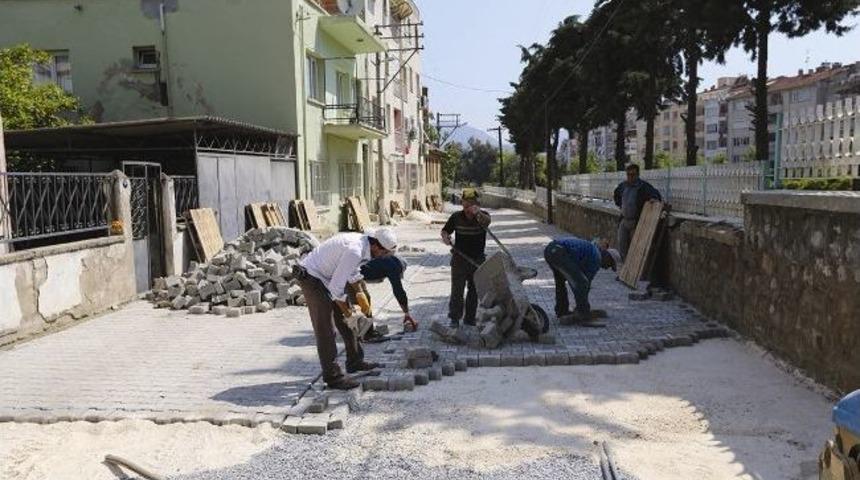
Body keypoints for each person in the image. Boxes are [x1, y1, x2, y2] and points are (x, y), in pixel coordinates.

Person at [295, 228, 397, 390]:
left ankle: (355, 362)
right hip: (312, 278)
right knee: (326, 329)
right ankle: (333, 378)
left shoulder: (364, 245)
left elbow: (351, 271)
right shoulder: (355, 250)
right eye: (384, 253)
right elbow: (336, 288)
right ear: (377, 246)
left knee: (347, 321)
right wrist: (348, 312)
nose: (383, 257)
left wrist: (359, 292)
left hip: (326, 277)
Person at [441, 188, 491, 328]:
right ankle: (454, 318)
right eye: (466, 204)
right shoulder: (456, 217)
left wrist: (478, 213)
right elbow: (445, 230)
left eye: (472, 203)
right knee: (457, 290)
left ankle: (470, 318)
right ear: (462, 203)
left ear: (477, 204)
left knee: (474, 290)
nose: (468, 207)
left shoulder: (483, 216)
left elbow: (487, 222)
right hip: (459, 260)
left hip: (477, 260)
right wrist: (445, 237)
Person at [543, 236, 621, 325]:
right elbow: (584, 283)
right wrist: (583, 305)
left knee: (560, 282)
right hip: (559, 252)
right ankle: (583, 315)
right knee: (581, 283)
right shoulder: (596, 258)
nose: (607, 268)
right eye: (610, 264)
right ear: (607, 257)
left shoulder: (592, 250)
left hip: (550, 250)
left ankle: (562, 311)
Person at [613, 163, 662, 259]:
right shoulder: (623, 186)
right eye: (628, 175)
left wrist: (653, 199)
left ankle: (633, 272)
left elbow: (656, 195)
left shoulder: (643, 187)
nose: (630, 177)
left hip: (636, 222)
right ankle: (624, 270)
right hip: (624, 220)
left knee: (635, 249)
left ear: (637, 175)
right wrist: (621, 205)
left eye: (633, 175)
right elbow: (616, 195)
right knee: (622, 246)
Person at [359, 255, 417, 334]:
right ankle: (366, 332)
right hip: (352, 274)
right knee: (362, 300)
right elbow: (398, 290)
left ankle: (365, 329)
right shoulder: (394, 266)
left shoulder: (389, 259)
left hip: (356, 272)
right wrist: (406, 313)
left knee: (364, 299)